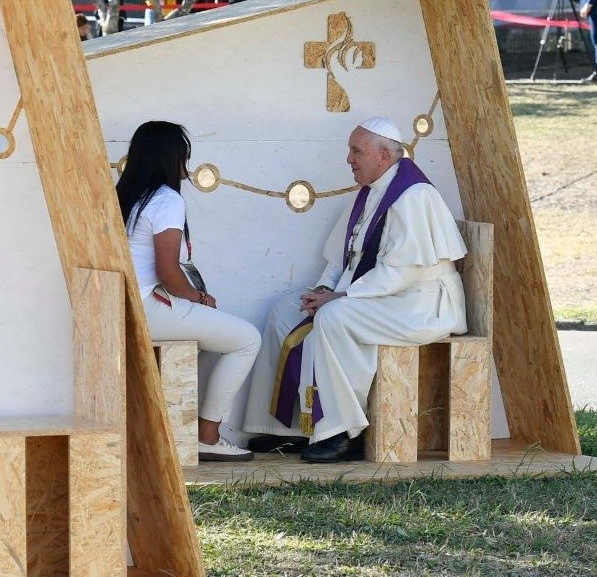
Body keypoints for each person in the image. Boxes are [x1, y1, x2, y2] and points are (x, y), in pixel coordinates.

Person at [243, 117, 468, 463]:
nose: (349, 158)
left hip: (419, 305)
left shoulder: (414, 195)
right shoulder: (368, 192)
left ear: (383, 155)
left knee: (334, 317)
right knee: (286, 311)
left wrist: (338, 298)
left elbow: (402, 272)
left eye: (356, 151)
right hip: (379, 298)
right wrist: (323, 289)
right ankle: (293, 429)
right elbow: (342, 257)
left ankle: (343, 433)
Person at [117, 121, 261, 461]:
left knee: (215, 341)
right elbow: (168, 272)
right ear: (171, 158)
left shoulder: (126, 195)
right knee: (247, 340)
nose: (186, 165)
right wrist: (200, 299)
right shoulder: (166, 200)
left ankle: (184, 430)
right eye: (184, 155)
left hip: (125, 304)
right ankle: (207, 436)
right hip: (149, 307)